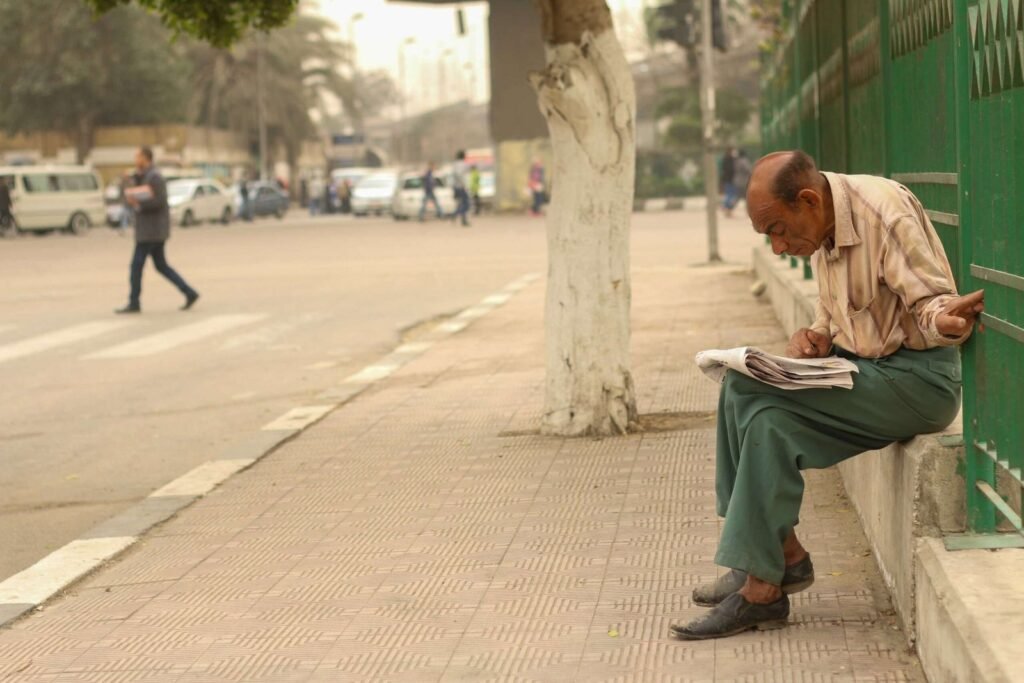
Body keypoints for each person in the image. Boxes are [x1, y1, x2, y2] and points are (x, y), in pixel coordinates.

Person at [670, 150, 985, 641]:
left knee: (752, 394)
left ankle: (763, 579)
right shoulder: (821, 224)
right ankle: (776, 564)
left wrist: (945, 321)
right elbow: (836, 308)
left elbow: (930, 301)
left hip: (919, 382)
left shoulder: (883, 211)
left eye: (777, 230)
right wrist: (817, 335)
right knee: (754, 407)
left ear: (808, 200)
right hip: (864, 370)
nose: (777, 248)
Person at [115, 147, 200, 315]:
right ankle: (189, 292)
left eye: (137, 156)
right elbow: (127, 193)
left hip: (151, 231)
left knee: (136, 266)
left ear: (145, 158)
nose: (135, 159)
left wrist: (138, 203)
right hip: (150, 230)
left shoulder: (155, 177)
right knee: (161, 265)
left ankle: (134, 301)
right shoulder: (142, 176)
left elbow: (158, 201)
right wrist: (127, 182)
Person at [450, 150, 470, 227]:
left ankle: (463, 220)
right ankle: (455, 214)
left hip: (456, 186)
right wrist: (463, 185)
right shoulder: (462, 164)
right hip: (461, 187)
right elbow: (459, 175)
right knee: (466, 204)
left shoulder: (455, 164)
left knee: (461, 204)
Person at [720, 147, 739, 217]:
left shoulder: (725, 159)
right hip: (730, 180)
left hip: (727, 179)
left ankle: (727, 209)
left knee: (729, 195)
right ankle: (726, 207)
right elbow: (731, 170)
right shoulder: (730, 159)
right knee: (731, 195)